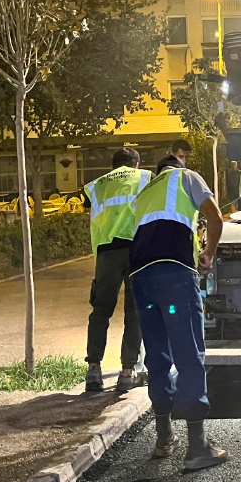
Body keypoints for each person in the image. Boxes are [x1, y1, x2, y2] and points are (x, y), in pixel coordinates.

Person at [128, 153, 228, 471]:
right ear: (178, 167)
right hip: (175, 272)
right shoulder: (187, 177)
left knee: (157, 355)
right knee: (188, 353)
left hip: (140, 278)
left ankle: (163, 440)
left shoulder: (143, 192)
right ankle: (198, 447)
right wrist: (208, 255)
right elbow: (215, 219)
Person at [81, 148, 151, 393]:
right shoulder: (145, 178)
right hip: (136, 250)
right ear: (136, 163)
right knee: (134, 311)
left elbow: (86, 203)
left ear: (114, 166)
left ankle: (93, 370)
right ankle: (127, 373)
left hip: (107, 252)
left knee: (100, 311)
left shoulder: (97, 185)